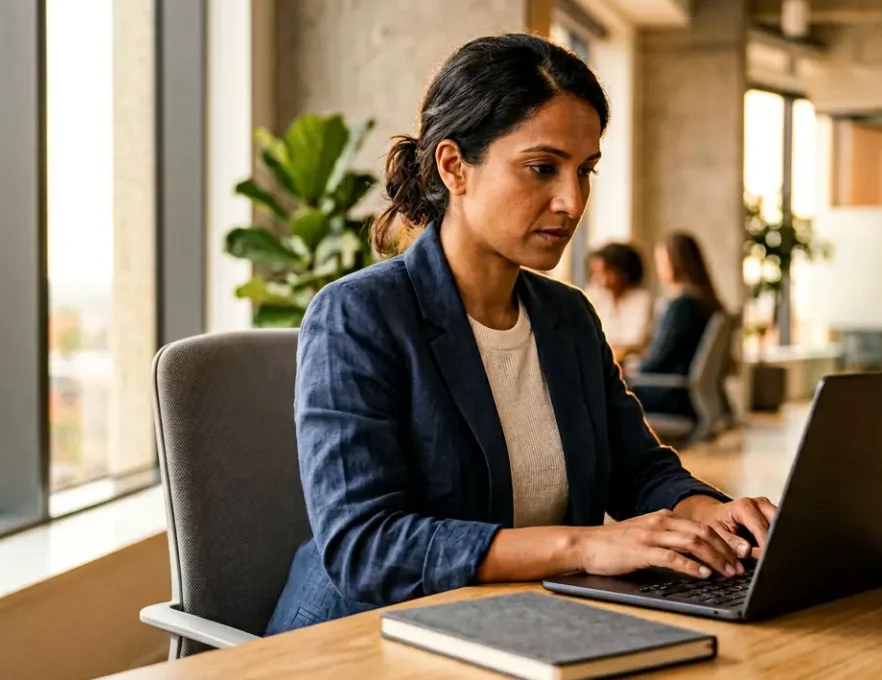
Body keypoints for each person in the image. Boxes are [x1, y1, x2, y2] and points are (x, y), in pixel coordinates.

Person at [266, 34, 775, 635]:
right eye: (542, 168)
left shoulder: (569, 319)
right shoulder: (358, 316)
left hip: (523, 627)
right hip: (362, 641)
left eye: (585, 171)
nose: (572, 200)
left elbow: (637, 470)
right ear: (454, 166)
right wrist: (582, 548)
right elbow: (366, 546)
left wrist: (717, 516)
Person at [628, 233, 723, 418]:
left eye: (661, 261)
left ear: (676, 262)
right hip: (687, 395)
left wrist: (632, 369)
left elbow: (659, 360)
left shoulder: (682, 307)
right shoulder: (705, 303)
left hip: (671, 394)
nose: (658, 267)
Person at [584, 243, 653, 361]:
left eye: (604, 271)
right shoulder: (592, 295)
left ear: (623, 271)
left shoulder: (642, 300)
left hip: (632, 367)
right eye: (594, 272)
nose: (597, 278)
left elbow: (636, 342)